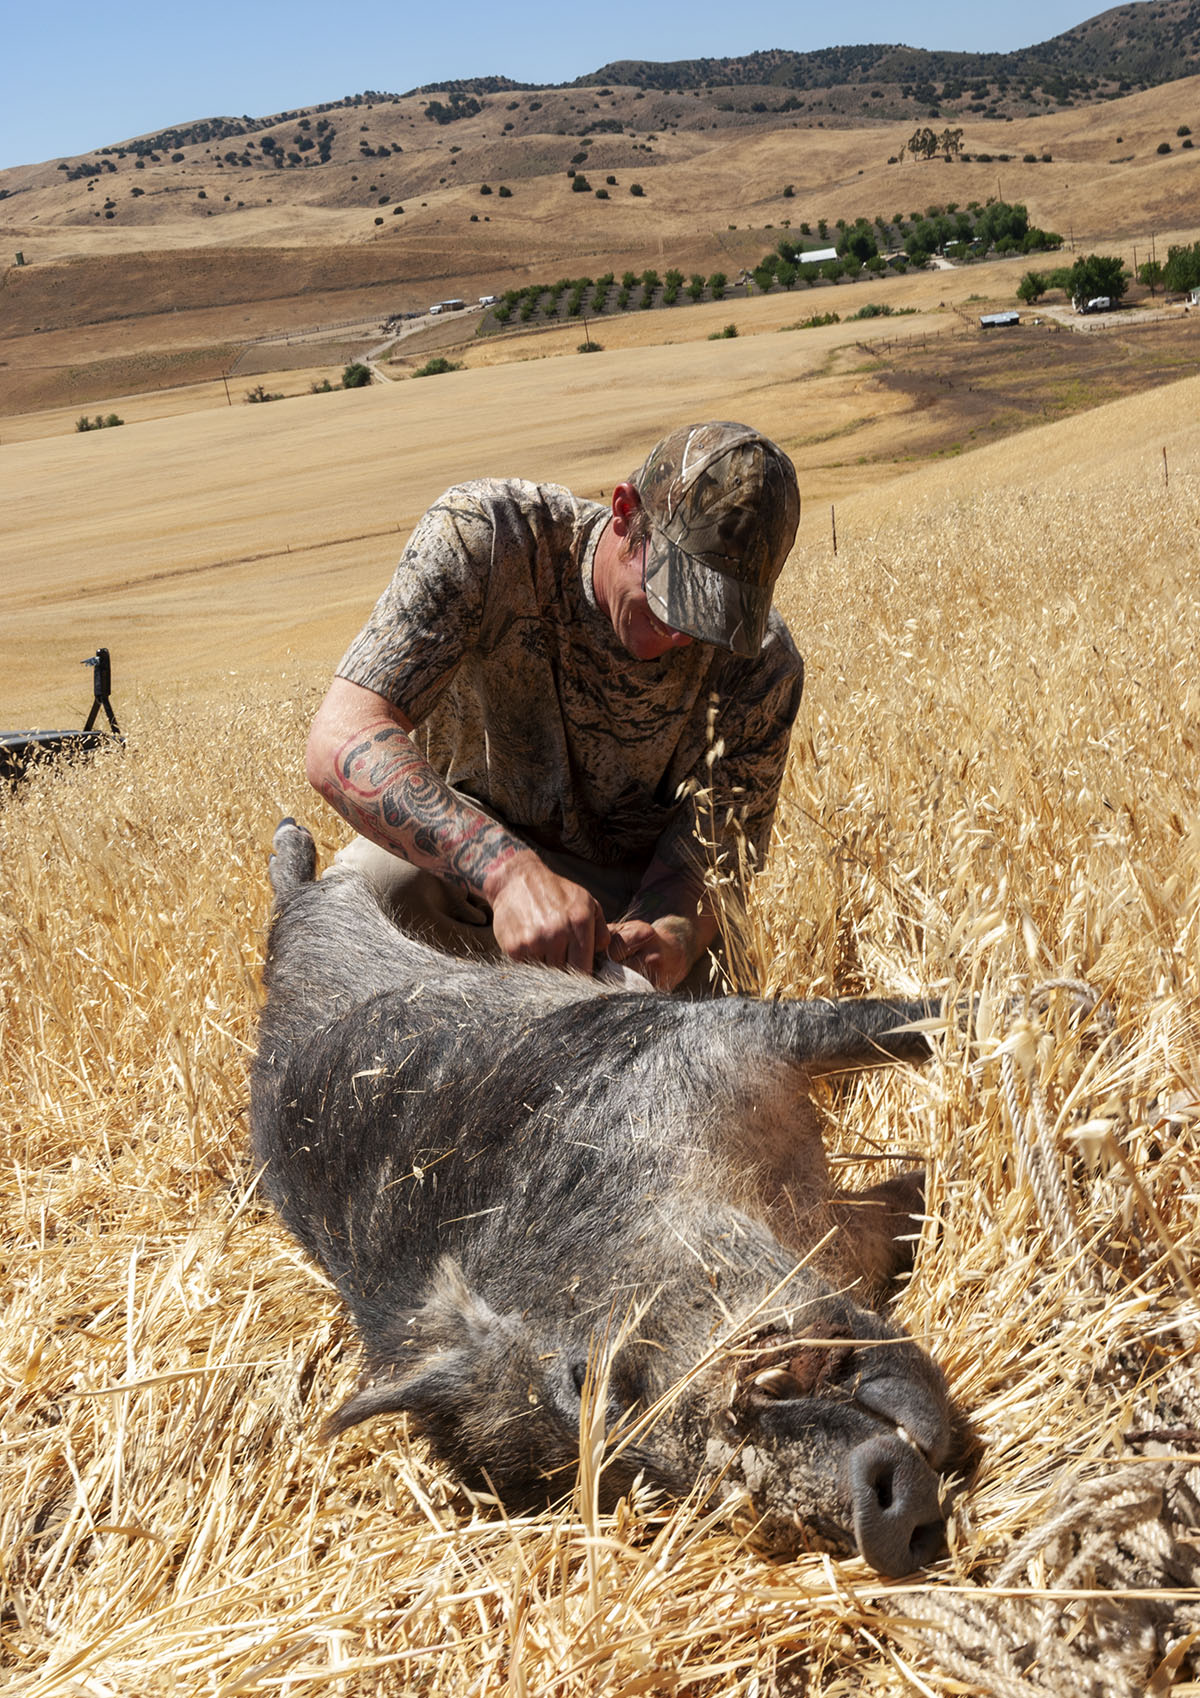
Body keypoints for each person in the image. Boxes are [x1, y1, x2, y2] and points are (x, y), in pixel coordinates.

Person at [305, 420, 804, 992]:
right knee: (374, 895)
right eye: (674, 592)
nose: (681, 634)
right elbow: (339, 738)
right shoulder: (488, 539)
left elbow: (708, 863)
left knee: (717, 1022)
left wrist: (665, 936)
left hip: (622, 901)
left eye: (712, 618)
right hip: (466, 858)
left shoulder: (764, 666)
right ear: (624, 512)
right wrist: (507, 873)